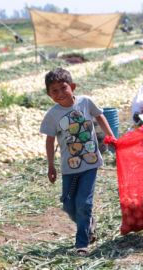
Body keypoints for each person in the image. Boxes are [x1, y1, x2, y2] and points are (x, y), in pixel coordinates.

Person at [39, 68, 116, 255]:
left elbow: (100, 115)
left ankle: (82, 243)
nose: (60, 93)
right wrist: (51, 165)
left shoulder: (86, 102)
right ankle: (88, 222)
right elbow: (49, 141)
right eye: (54, 91)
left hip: (90, 163)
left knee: (84, 203)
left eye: (63, 88)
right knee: (68, 205)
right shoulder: (52, 115)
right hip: (69, 167)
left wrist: (110, 136)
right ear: (49, 95)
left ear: (72, 87)